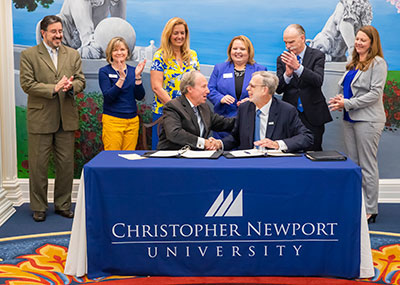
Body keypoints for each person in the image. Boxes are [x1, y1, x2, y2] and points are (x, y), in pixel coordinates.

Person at [20, 15, 86, 222]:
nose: (59, 35)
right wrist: (53, 88)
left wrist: (71, 86)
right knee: (38, 165)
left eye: (60, 31)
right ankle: (39, 207)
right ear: (43, 33)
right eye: (54, 32)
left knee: (66, 165)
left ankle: (63, 205)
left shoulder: (73, 54)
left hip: (66, 118)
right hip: (41, 118)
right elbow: (27, 84)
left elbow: (81, 81)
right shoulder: (29, 55)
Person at [328, 25, 387, 224]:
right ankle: (357, 203)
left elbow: (374, 94)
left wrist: (347, 103)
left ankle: (371, 209)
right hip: (350, 119)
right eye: (357, 39)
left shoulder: (378, 63)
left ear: (372, 42)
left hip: (368, 120)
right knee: (354, 164)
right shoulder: (353, 62)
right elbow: (351, 91)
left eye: (363, 39)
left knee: (368, 165)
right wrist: (341, 100)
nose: (358, 42)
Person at [220, 71, 313, 152]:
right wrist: (219, 144)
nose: (247, 88)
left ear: (264, 90)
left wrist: (277, 144)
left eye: (252, 86)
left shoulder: (286, 110)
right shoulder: (244, 108)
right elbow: (236, 138)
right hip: (247, 162)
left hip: (274, 163)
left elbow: (307, 137)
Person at [276, 24, 332, 151]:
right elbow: (278, 89)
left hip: (313, 114)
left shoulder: (317, 55)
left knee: (314, 151)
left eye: (291, 42)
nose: (287, 46)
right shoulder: (281, 59)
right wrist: (287, 75)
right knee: (290, 151)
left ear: (302, 38)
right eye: (285, 43)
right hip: (290, 114)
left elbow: (318, 80)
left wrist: (298, 68)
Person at [150, 17, 200, 149]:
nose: (179, 36)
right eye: (175, 33)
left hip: (190, 116)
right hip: (165, 113)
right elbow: (156, 87)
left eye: (182, 33)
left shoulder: (193, 56)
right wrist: (177, 109)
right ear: (169, 35)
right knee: (162, 155)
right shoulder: (160, 56)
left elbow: (198, 84)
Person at [157, 70, 235, 150]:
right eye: (203, 86)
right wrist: (203, 143)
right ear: (190, 89)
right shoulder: (173, 107)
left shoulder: (204, 107)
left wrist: (246, 113)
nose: (208, 91)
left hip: (195, 158)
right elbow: (174, 133)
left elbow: (224, 123)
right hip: (173, 158)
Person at [207, 35, 267, 139]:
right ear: (230, 50)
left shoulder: (259, 70)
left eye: (242, 49)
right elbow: (210, 90)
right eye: (235, 48)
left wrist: (251, 100)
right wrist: (220, 98)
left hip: (249, 121)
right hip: (223, 122)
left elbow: (265, 93)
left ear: (249, 52)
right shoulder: (219, 68)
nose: (238, 52)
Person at [99, 37, 146, 150]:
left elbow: (140, 96)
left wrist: (138, 77)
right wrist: (121, 79)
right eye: (115, 50)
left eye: (122, 49)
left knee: (128, 159)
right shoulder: (104, 71)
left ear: (127, 52)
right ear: (110, 53)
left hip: (132, 122)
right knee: (112, 159)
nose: (119, 53)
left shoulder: (133, 70)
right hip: (113, 121)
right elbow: (109, 97)